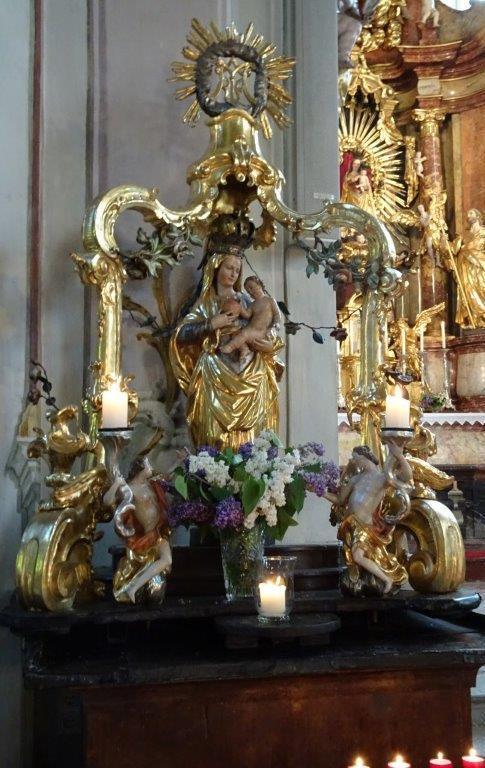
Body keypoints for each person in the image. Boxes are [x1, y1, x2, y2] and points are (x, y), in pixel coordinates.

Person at [170, 249, 284, 450]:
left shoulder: (247, 301)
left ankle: (254, 465)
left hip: (251, 373)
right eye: (229, 268)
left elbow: (268, 328)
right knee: (212, 433)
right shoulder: (206, 303)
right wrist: (212, 323)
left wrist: (270, 346)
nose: (233, 274)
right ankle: (212, 466)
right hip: (215, 373)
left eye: (237, 270)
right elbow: (181, 335)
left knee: (253, 439)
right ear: (216, 268)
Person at [325, 442, 413, 595]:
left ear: (365, 458)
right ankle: (365, 580)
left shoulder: (382, 478)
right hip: (350, 524)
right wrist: (320, 492)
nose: (354, 462)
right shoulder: (355, 479)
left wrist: (399, 455)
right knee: (354, 559)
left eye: (356, 458)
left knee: (358, 556)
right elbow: (340, 500)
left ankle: (386, 579)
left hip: (365, 525)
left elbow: (406, 476)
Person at [104, 456, 172, 604]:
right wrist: (116, 484)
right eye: (148, 465)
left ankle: (134, 587)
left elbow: (168, 477)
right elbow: (107, 501)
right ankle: (133, 588)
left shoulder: (152, 484)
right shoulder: (129, 489)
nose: (151, 468)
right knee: (166, 559)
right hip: (146, 536)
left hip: (158, 531)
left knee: (167, 559)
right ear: (140, 469)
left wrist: (180, 461)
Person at [220, 276, 281, 364]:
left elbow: (277, 315)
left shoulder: (270, 301)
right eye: (248, 291)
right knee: (235, 333)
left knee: (244, 334)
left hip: (260, 332)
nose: (251, 292)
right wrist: (240, 307)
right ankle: (244, 349)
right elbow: (247, 315)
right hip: (251, 329)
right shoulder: (253, 304)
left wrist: (276, 324)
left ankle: (230, 347)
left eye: (252, 288)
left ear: (259, 285)